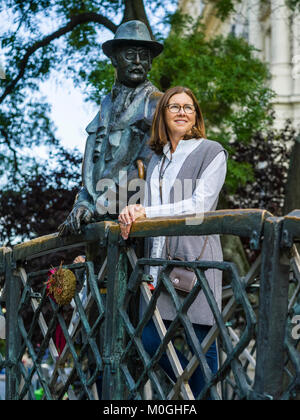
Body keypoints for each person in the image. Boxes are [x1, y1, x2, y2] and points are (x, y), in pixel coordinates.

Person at [118, 86, 227, 398]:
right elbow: (148, 212)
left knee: (202, 345)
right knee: (150, 341)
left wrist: (145, 211)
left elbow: (199, 206)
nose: (182, 112)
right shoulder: (156, 161)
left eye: (189, 108)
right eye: (174, 107)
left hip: (197, 261)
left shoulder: (212, 152)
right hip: (159, 265)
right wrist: (131, 212)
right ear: (162, 116)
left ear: (196, 117)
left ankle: (198, 396)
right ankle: (192, 393)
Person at [59, 20, 163, 235]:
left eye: (143, 56)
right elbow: (94, 172)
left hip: (136, 224)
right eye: (129, 55)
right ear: (114, 59)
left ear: (151, 63)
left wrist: (97, 208)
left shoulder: (158, 105)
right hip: (101, 226)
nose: (137, 62)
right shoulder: (104, 108)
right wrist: (83, 204)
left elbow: (149, 170)